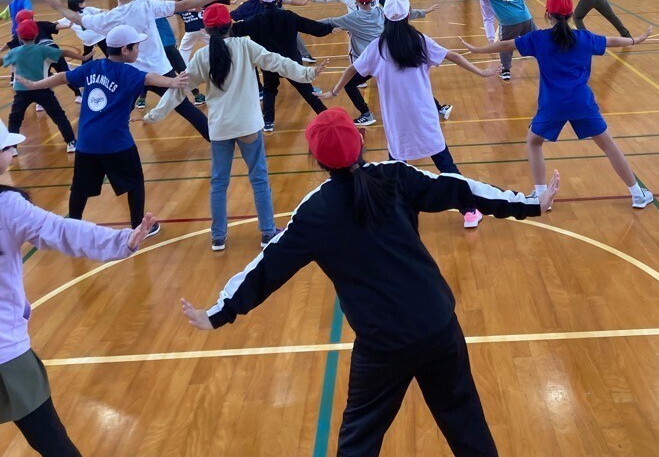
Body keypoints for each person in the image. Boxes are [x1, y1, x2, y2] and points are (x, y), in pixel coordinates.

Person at [180, 107, 557, 456]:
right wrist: (527, 203)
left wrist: (218, 313)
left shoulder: (315, 212)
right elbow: (460, 188)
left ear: (316, 159)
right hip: (438, 325)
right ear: (360, 140)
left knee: (358, 441)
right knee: (466, 423)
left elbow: (268, 267)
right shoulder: (396, 176)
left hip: (382, 345)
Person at [0, 119, 157, 457]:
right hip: (7, 354)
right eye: (6, 147)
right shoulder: (7, 206)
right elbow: (61, 231)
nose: (12, 150)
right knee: (53, 443)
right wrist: (121, 241)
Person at [144, 4, 326, 250]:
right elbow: (277, 62)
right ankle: (267, 232)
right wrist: (307, 74)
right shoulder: (245, 46)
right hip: (248, 124)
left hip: (220, 127)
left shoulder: (202, 56)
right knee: (259, 179)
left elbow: (179, 88)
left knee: (219, 182)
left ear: (206, 29)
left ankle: (218, 236)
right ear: (230, 24)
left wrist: (154, 115)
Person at [320, 0, 502, 228]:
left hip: (397, 121)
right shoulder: (420, 41)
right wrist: (482, 72)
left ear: (385, 17)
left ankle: (391, 215)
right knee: (446, 166)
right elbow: (454, 56)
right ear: (407, 15)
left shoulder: (378, 47)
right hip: (424, 117)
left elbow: (351, 70)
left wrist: (333, 92)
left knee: (395, 169)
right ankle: (469, 210)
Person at [461, 0, 654, 209]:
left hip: (552, 105)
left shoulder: (538, 39)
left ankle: (542, 196)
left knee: (534, 143)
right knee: (608, 145)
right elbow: (612, 41)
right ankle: (637, 194)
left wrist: (478, 49)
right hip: (582, 103)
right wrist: (636, 40)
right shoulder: (585, 38)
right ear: (571, 15)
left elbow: (506, 45)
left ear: (547, 14)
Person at [14, 25, 191, 237]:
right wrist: (172, 81)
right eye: (136, 46)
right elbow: (149, 78)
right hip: (116, 143)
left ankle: (72, 224)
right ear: (125, 50)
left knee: (80, 188)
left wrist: (35, 85)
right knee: (134, 182)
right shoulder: (128, 72)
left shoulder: (92, 67)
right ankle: (138, 225)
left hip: (86, 142)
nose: (138, 50)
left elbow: (63, 77)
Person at [42, 0, 227, 141]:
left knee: (116, 112)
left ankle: (101, 143)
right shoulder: (146, 6)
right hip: (160, 71)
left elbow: (77, 18)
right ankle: (216, 140)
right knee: (186, 108)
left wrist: (58, 6)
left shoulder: (108, 17)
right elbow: (184, 5)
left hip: (129, 74)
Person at [318, 0, 445, 126]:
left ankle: (366, 114)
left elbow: (329, 22)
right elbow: (402, 14)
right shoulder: (382, 12)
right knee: (410, 82)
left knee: (349, 84)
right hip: (388, 57)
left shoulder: (351, 18)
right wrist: (425, 11)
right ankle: (439, 108)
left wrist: (304, 24)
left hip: (370, 62)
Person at [231, 0, 335, 132]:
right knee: (306, 90)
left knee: (269, 89)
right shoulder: (288, 16)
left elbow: (234, 30)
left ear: (261, 1)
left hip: (268, 63)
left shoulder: (255, 21)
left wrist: (214, 27)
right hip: (291, 61)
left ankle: (268, 121)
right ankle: (326, 116)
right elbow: (309, 26)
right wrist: (329, 28)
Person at [2, 20, 89, 156]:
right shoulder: (43, 49)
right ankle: (71, 142)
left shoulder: (15, 52)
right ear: (36, 35)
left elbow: (2, 61)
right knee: (58, 116)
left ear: (19, 37)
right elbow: (65, 52)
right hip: (42, 89)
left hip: (21, 92)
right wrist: (83, 57)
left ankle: (12, 148)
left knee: (15, 118)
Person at [446, 0, 534, 81]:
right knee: (538, 40)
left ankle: (505, 71)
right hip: (526, 17)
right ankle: (550, 61)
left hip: (508, 22)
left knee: (505, 46)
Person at [2, 10, 82, 103]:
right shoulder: (40, 24)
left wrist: (1, 49)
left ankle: (41, 101)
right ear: (31, 18)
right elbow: (55, 26)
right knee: (64, 73)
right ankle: (78, 94)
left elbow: (10, 44)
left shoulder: (23, 32)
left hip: (44, 55)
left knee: (42, 79)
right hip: (51, 52)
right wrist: (67, 26)